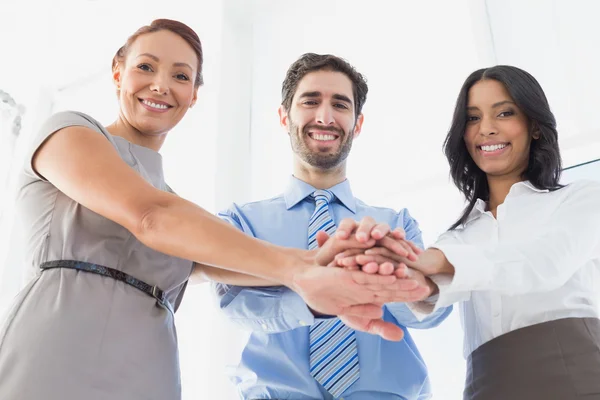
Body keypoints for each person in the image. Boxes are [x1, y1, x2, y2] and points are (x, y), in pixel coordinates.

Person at [0, 20, 424, 400]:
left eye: (180, 75)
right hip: (58, 346)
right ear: (118, 72)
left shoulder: (181, 205)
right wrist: (302, 271)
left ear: (194, 95)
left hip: (150, 366)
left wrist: (324, 265)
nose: (161, 85)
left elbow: (211, 262)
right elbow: (151, 217)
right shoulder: (68, 131)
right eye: (146, 67)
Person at [195, 53, 451, 400]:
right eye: (310, 101)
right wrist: (316, 297)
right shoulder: (241, 221)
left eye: (340, 105)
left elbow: (427, 317)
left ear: (357, 124)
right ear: (284, 116)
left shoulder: (394, 225)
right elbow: (235, 306)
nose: (325, 117)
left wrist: (404, 282)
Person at [336, 65, 600, 400]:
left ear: (534, 126)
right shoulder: (457, 237)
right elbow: (427, 287)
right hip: (486, 386)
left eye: (504, 113)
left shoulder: (581, 199)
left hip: (577, 381)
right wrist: (383, 260)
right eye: (473, 118)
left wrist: (434, 261)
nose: (486, 130)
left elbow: (545, 262)